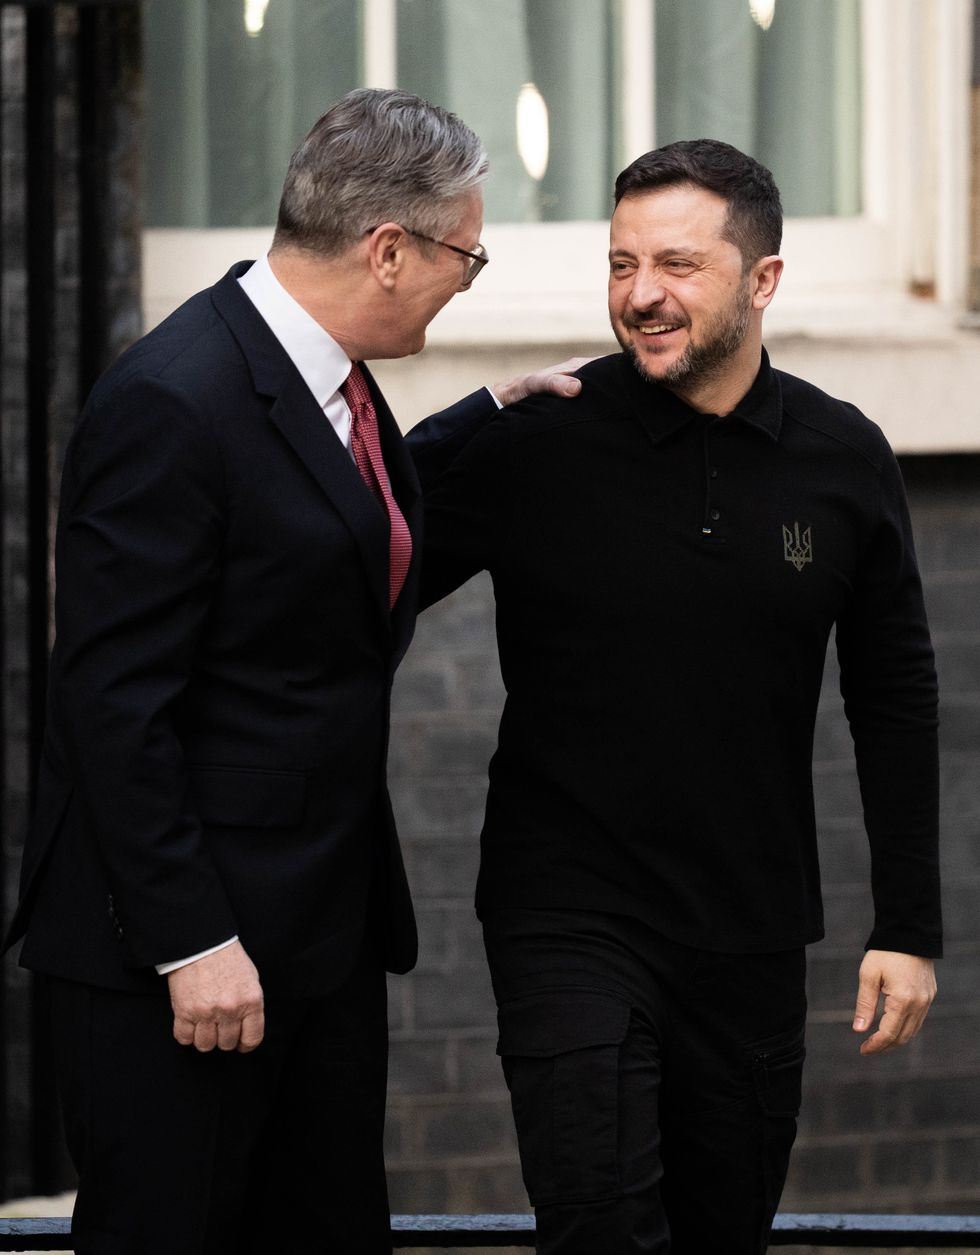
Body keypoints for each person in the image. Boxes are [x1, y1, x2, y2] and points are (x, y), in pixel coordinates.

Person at [2, 88, 581, 1255]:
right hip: (182, 967)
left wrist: (483, 417)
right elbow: (114, 702)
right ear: (386, 249)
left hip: (312, 939)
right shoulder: (170, 400)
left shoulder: (319, 370)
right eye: (464, 258)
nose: (464, 283)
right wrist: (192, 943)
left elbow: (304, 535)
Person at [416, 139, 941, 1254]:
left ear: (762, 279)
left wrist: (906, 925)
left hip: (746, 928)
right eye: (618, 264)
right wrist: (451, 426)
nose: (639, 295)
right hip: (564, 911)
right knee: (599, 1225)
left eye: (675, 265)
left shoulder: (841, 456)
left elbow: (892, 691)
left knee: (720, 1236)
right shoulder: (539, 439)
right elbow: (357, 570)